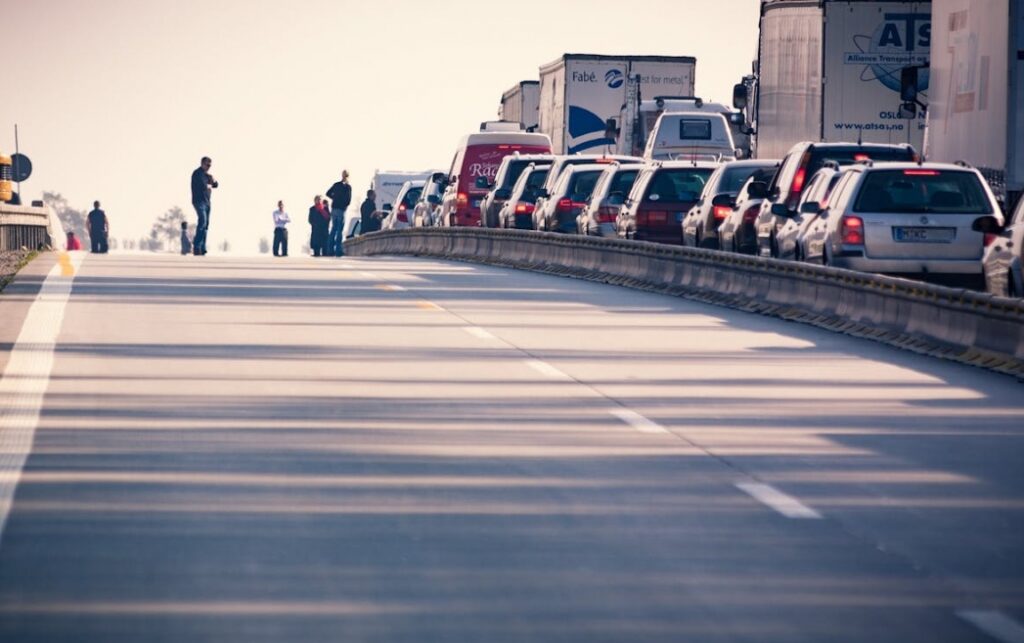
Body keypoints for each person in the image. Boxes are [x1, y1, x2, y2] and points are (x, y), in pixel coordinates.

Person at [190, 156, 218, 256]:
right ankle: (197, 246)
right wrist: (210, 184)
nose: (208, 167)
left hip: (207, 202)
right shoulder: (197, 173)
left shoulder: (207, 175)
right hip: (198, 201)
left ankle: (202, 248)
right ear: (202, 163)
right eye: (207, 164)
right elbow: (203, 185)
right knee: (202, 220)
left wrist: (213, 180)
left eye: (210, 165)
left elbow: (216, 185)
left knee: (205, 226)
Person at [325, 170, 352, 257]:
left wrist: (334, 198)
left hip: (334, 208)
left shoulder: (336, 185)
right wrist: (343, 204)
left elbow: (328, 193)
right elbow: (348, 200)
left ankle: (330, 250)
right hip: (341, 209)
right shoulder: (347, 187)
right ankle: (338, 251)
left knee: (333, 229)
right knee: (339, 230)